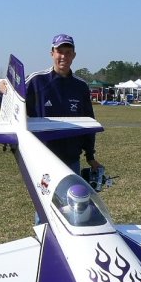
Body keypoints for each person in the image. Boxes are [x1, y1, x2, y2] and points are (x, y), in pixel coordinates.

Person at [25, 33, 102, 176]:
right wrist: (4, 89)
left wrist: (90, 156)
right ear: (52, 53)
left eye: (68, 52)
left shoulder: (81, 86)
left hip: (72, 160)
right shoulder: (36, 80)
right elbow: (12, 100)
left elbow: (89, 123)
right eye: (59, 51)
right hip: (41, 159)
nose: (63, 56)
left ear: (74, 55)